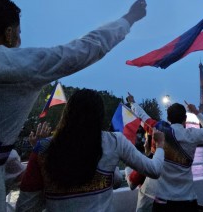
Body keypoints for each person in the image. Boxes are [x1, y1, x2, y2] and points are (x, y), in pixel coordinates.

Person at [0, 0, 146, 211]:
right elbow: (82, 50)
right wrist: (128, 19)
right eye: (18, 32)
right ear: (8, 33)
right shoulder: (5, 65)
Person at [16, 89, 165, 211]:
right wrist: (159, 146)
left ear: (67, 113)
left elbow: (25, 207)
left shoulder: (43, 148)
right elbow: (154, 170)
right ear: (100, 116)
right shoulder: (113, 141)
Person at [126, 93, 203, 212]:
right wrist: (196, 112)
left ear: (168, 119)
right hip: (187, 199)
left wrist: (133, 102)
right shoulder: (193, 135)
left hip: (163, 201)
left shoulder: (159, 129)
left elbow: (142, 116)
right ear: (185, 119)